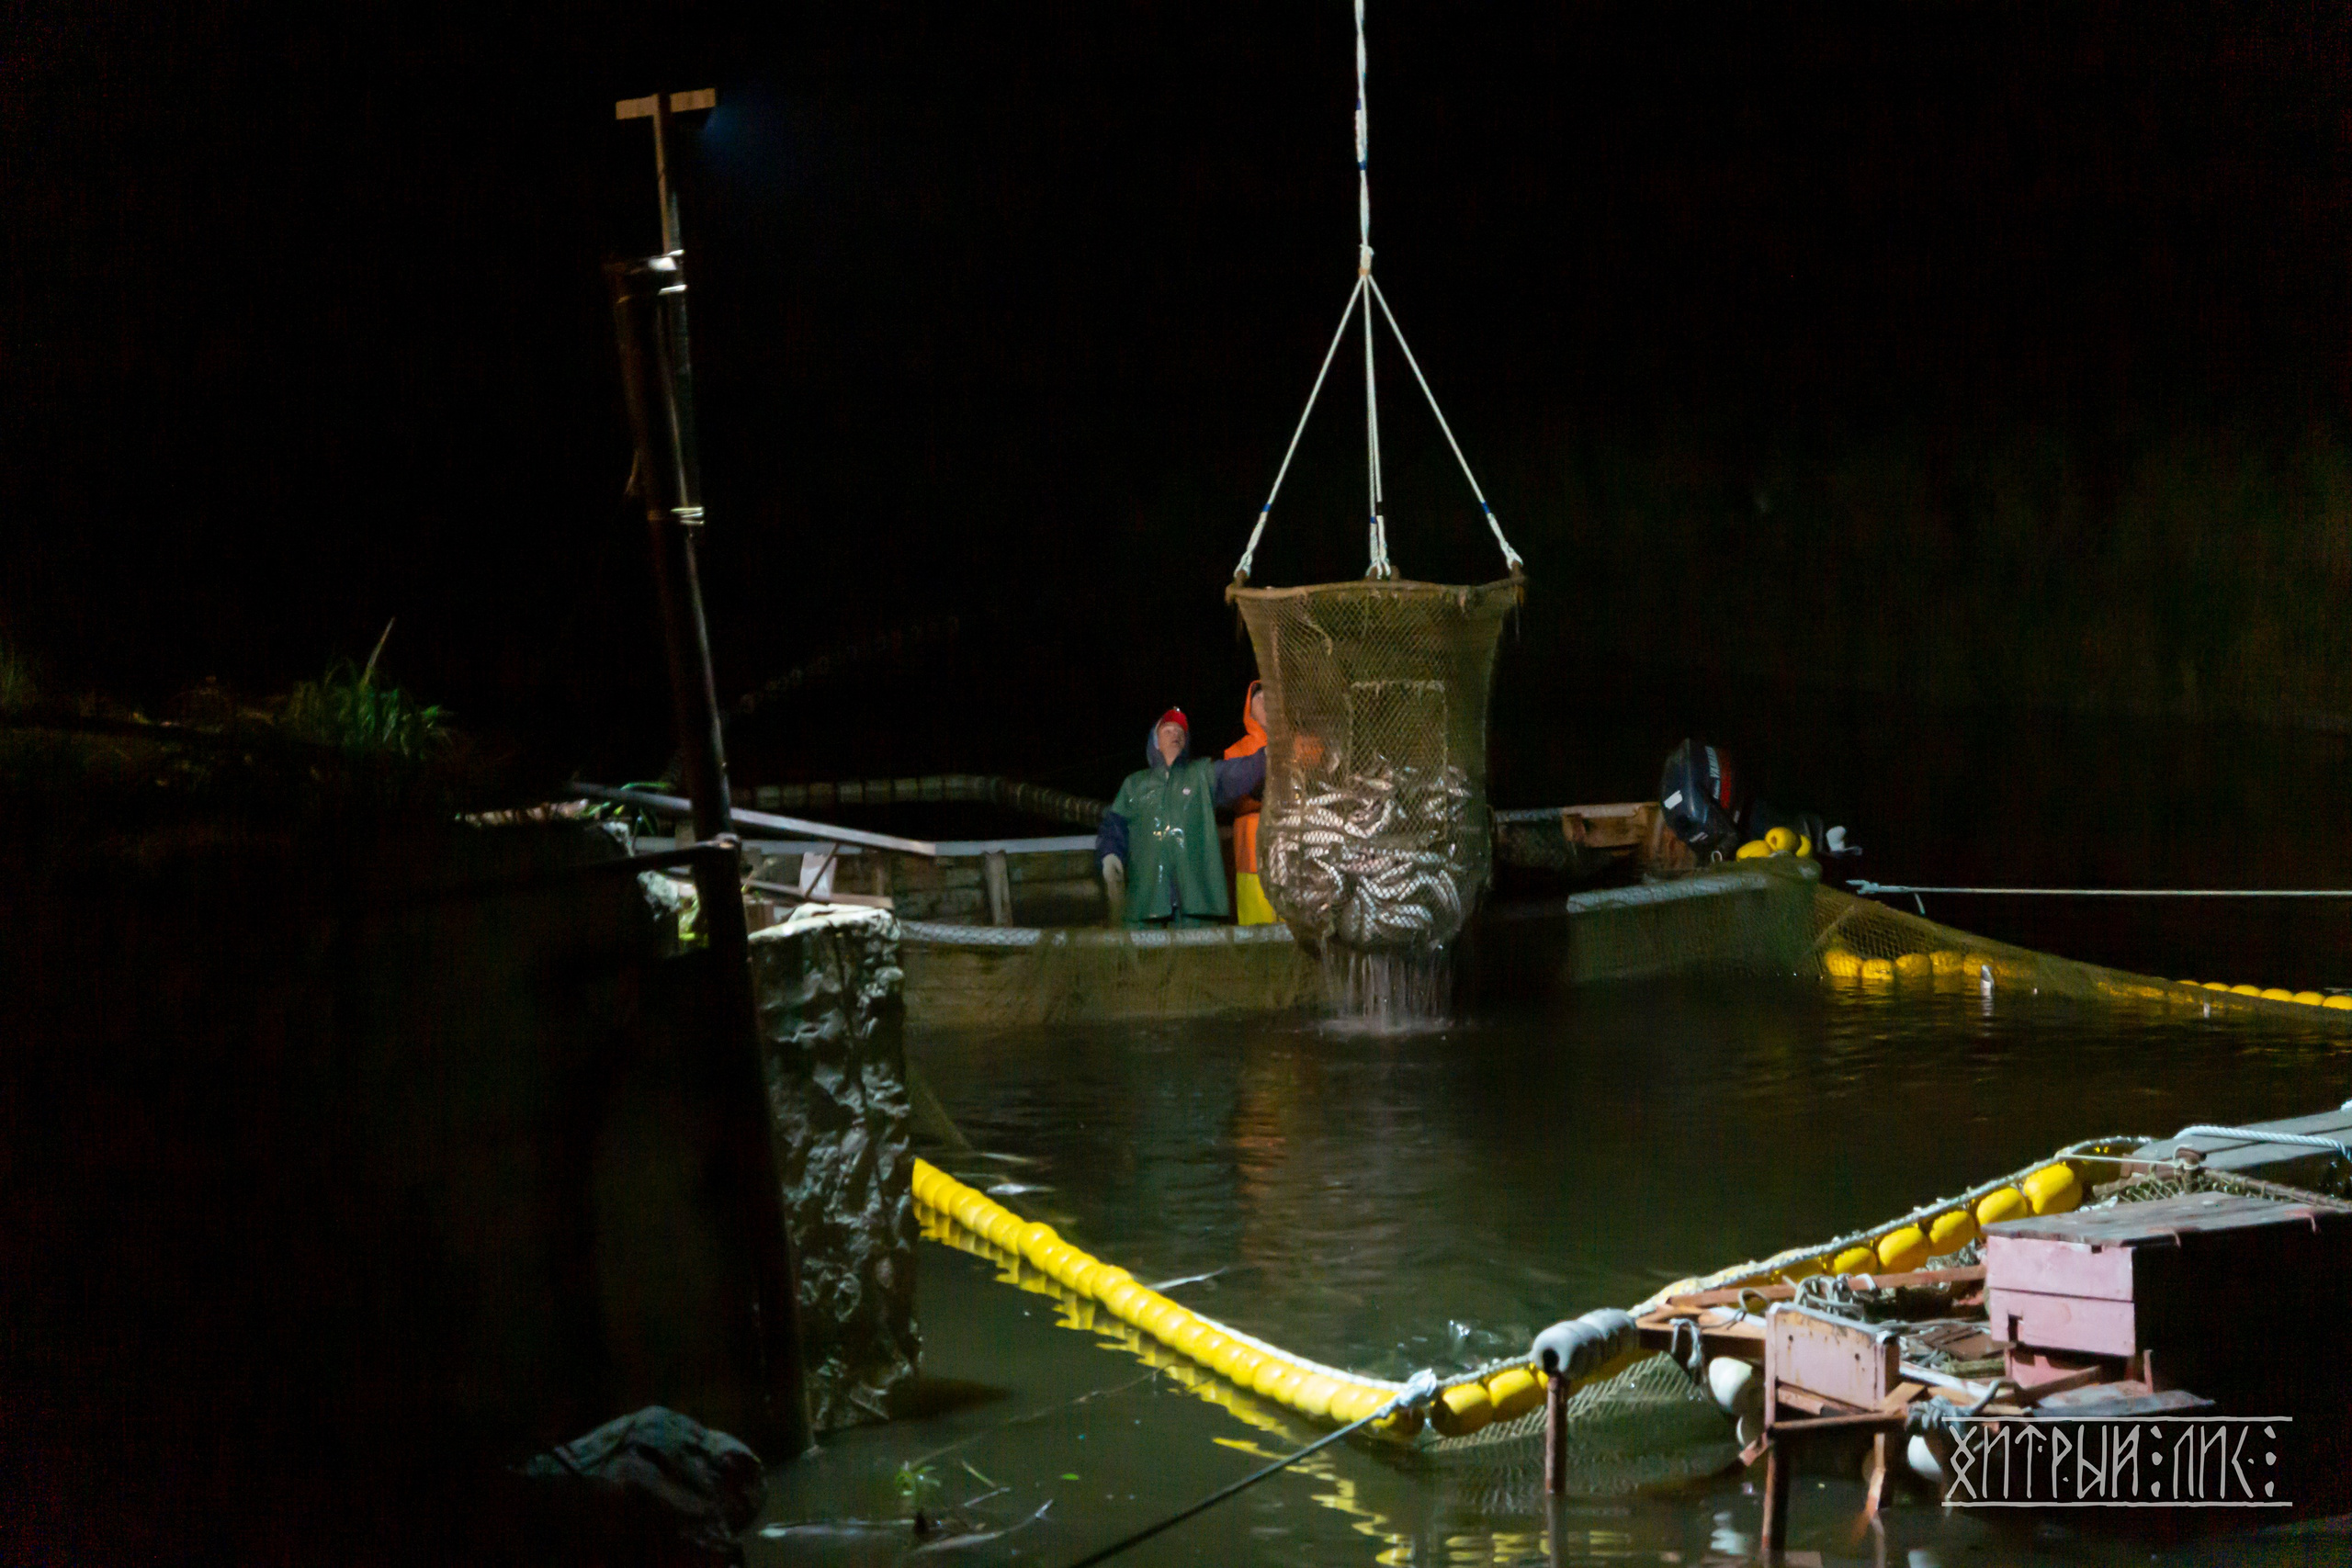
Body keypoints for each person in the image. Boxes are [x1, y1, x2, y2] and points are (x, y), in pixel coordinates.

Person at [1097, 707, 1266, 926]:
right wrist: (1110, 855)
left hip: (1197, 905)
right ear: (1155, 741)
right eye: (1168, 730)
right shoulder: (1134, 784)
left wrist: (1267, 756)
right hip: (1145, 904)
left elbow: (1240, 771)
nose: (1175, 734)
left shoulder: (1203, 774)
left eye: (1180, 732)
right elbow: (1114, 825)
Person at [1223, 681, 1278, 925]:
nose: (1266, 703)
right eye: (1259, 699)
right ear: (1249, 709)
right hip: (1252, 859)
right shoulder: (1235, 751)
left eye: (1271, 698)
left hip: (1297, 861)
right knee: (1259, 937)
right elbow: (1234, 799)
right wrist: (1265, 797)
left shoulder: (1299, 745)